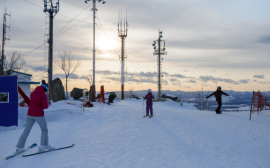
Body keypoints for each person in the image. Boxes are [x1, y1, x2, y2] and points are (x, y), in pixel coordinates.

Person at [15, 80, 53, 154]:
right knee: (44, 130)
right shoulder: (43, 95)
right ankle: (44, 146)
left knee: (26, 131)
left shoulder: (33, 93)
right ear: (45, 89)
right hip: (38, 115)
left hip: (29, 114)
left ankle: (20, 147)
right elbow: (45, 106)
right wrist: (48, 103)